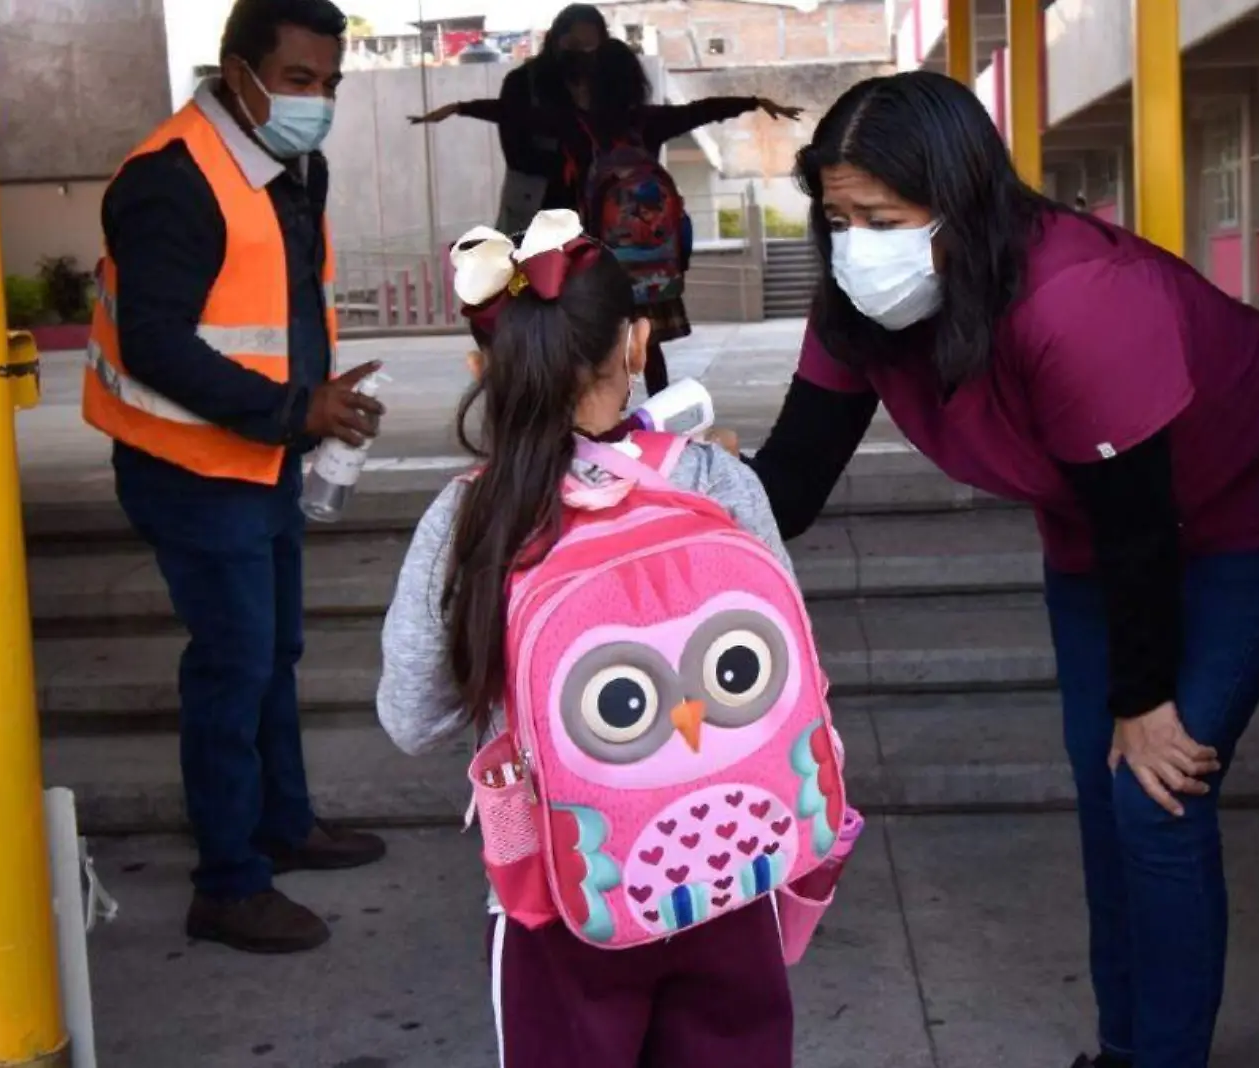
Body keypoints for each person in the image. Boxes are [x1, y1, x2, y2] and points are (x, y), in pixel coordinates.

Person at [738, 72, 1259, 1068]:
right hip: (1098, 527)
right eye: (837, 216)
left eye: (882, 217)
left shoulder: (1076, 300)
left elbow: (1143, 532)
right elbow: (792, 484)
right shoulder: (856, 306)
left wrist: (1145, 700)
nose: (856, 244)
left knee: (1152, 790)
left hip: (1253, 502)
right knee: (1101, 777)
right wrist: (670, 498)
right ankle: (1124, 1048)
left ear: (962, 199)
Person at [376, 211, 803, 1066]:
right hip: (728, 878)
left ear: (481, 368)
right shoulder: (716, 480)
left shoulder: (471, 519)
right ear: (638, 344)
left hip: (559, 896)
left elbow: (411, 719)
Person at [84, 0, 387, 955]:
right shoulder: (168, 181)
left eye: (331, 84)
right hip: (190, 468)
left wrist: (309, 404)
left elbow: (275, 308)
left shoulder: (293, 164)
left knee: (274, 657)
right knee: (231, 668)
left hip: (260, 456)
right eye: (300, 82)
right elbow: (157, 342)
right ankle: (226, 881)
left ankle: (281, 824)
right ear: (238, 70)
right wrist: (300, 410)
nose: (318, 103)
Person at [414, 39, 801, 393]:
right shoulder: (647, 120)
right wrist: (754, 101)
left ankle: (588, 411)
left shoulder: (573, 125)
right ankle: (659, 407)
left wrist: (460, 108)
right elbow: (701, 112)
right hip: (651, 260)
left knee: (587, 333)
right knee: (647, 342)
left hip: (600, 253)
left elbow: (515, 115)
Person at [492, 4, 611, 232]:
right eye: (574, 44)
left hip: (595, 207)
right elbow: (516, 151)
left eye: (590, 45)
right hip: (537, 206)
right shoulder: (523, 82)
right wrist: (569, 161)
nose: (582, 54)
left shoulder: (607, 83)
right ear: (557, 40)